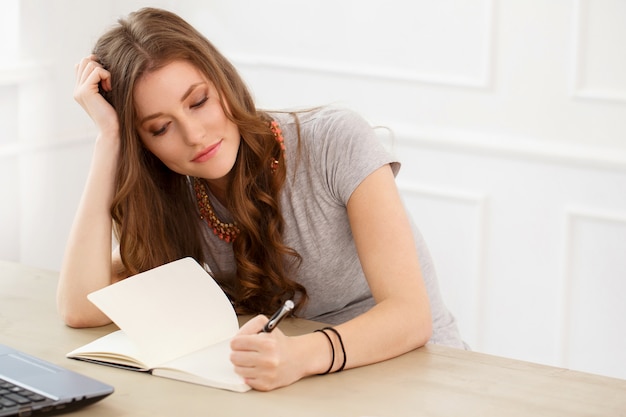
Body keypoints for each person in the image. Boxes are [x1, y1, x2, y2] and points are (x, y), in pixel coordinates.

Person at [58, 7, 465, 391]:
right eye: (161, 128)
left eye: (198, 102)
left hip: (417, 375)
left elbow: (412, 316)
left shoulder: (335, 142)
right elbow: (82, 308)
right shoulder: (175, 193)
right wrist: (109, 140)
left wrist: (298, 356)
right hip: (300, 386)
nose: (195, 135)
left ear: (223, 82)